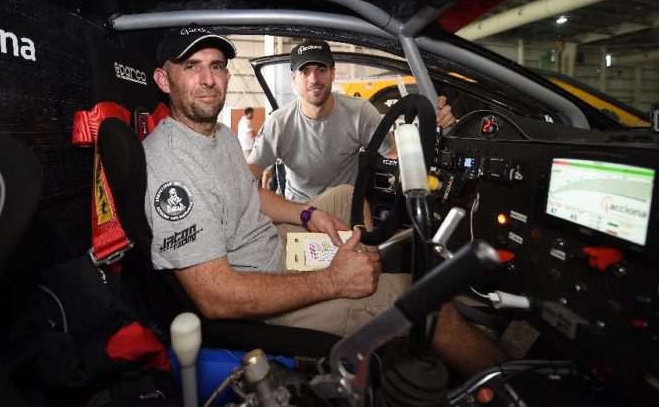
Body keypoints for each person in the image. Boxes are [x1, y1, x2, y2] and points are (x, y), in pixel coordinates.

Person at [143, 27, 505, 378]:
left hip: (273, 245)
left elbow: (249, 192)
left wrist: (307, 213)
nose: (208, 79)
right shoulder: (171, 167)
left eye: (217, 65)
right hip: (258, 288)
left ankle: (362, 263)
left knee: (349, 195)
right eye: (191, 66)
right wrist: (332, 281)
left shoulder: (217, 133)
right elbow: (216, 297)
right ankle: (511, 386)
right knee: (430, 302)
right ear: (164, 80)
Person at [248, 39, 457, 205]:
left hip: (344, 209)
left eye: (321, 70)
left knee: (371, 258)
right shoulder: (279, 123)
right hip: (301, 213)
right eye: (305, 71)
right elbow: (250, 174)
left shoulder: (359, 111)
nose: (313, 79)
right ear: (293, 79)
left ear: (332, 73)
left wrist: (435, 125)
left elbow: (395, 155)